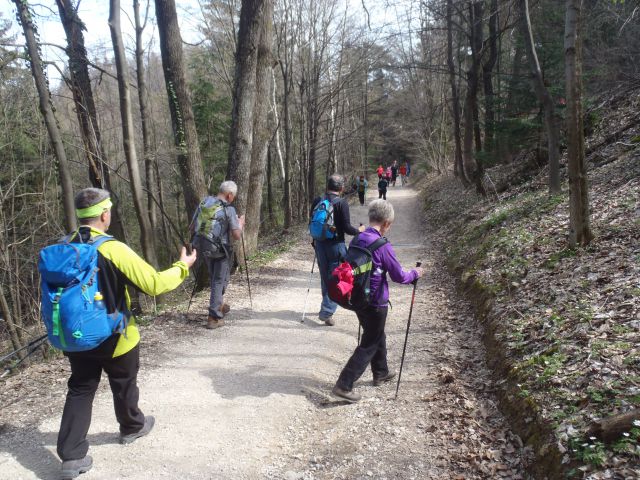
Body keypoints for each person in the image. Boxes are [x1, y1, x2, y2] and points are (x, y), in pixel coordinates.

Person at [55, 188, 197, 479]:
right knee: (123, 381)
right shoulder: (112, 248)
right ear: (104, 214)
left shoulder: (63, 247)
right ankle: (132, 426)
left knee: (81, 388)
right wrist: (183, 266)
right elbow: (155, 284)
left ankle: (71, 457)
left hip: (76, 336)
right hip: (115, 333)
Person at [332, 199, 424, 402]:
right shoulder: (382, 245)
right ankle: (344, 385)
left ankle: (380, 372)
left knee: (375, 333)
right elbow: (400, 276)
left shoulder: (357, 239)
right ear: (386, 223)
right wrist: (415, 273)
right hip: (376, 302)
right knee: (370, 342)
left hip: (357, 298)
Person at [190, 181, 245, 330]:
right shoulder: (229, 209)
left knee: (218, 278)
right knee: (219, 281)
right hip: (221, 249)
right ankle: (214, 317)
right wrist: (240, 223)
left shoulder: (204, 202)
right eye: (233, 196)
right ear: (229, 195)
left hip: (204, 247)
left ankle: (218, 304)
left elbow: (192, 227)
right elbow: (236, 235)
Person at [311, 174, 364, 326]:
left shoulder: (318, 200)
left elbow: (312, 222)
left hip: (320, 244)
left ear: (327, 186)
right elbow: (347, 228)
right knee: (337, 277)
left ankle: (326, 308)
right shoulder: (341, 203)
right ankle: (327, 311)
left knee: (325, 277)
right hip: (336, 246)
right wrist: (359, 230)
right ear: (341, 188)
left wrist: (315, 240)